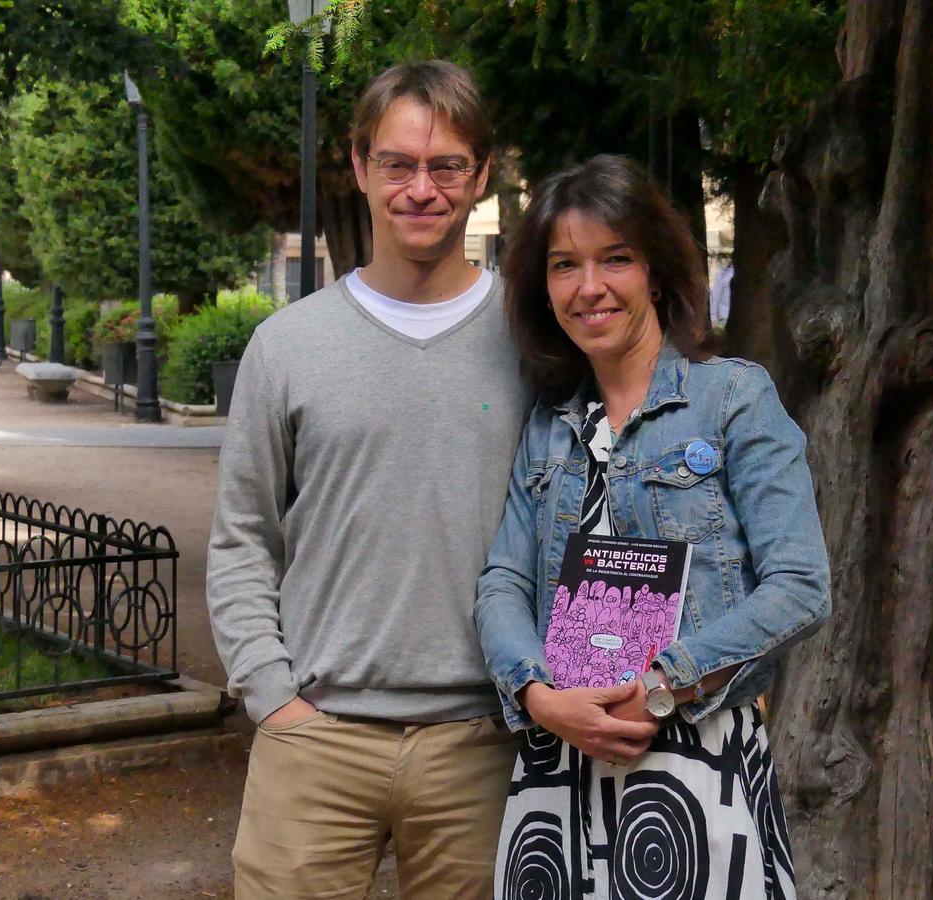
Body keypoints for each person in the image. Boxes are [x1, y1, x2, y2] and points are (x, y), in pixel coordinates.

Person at [206, 60, 530, 899]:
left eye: (447, 165)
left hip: (484, 745)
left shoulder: (535, 343)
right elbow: (243, 534)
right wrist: (270, 694)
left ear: (482, 173)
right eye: (398, 163)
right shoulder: (287, 346)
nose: (421, 189)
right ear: (359, 166)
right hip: (317, 737)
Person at [475, 155, 831, 898]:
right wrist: (537, 696)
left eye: (616, 259)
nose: (589, 287)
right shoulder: (549, 425)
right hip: (560, 767)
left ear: (657, 273)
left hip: (693, 762)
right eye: (564, 265)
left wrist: (667, 683)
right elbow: (504, 579)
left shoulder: (732, 399)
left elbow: (801, 586)